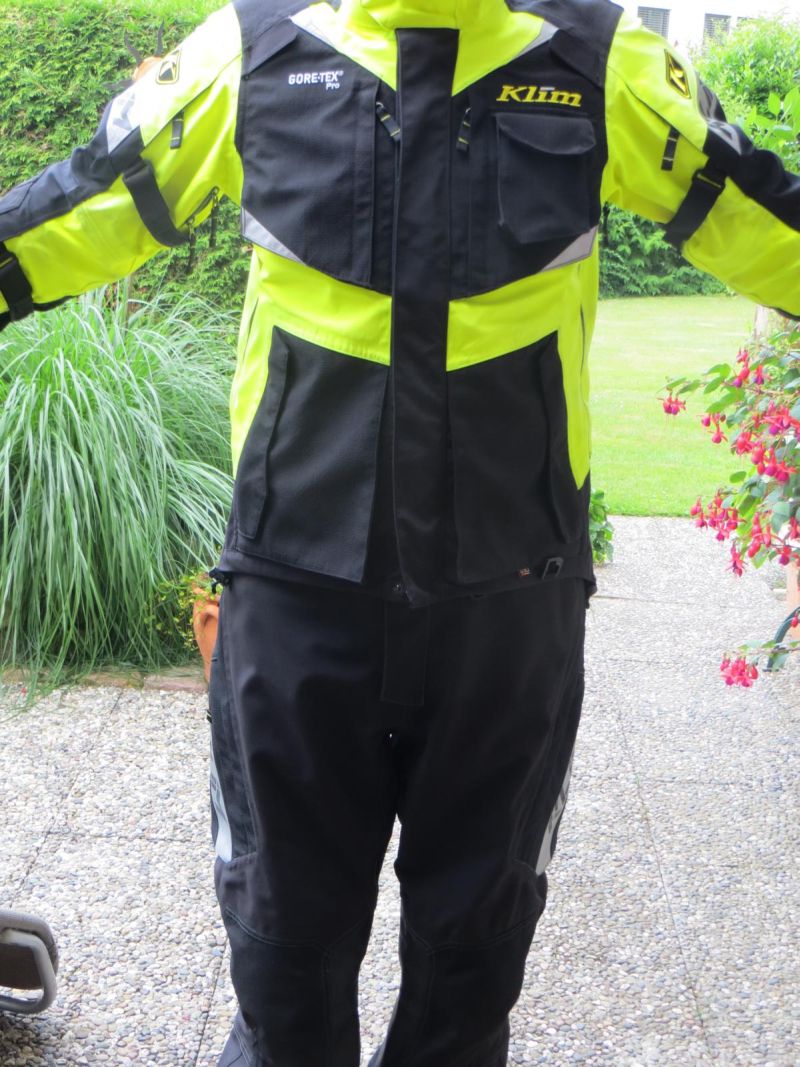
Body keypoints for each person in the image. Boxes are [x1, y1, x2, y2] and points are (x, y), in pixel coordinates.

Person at [1, 0, 798, 1063]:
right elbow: (84, 203)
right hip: (297, 593)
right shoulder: (256, 52)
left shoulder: (594, 60)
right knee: (282, 966)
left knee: (472, 972)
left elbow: (760, 213)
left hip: (509, 603)